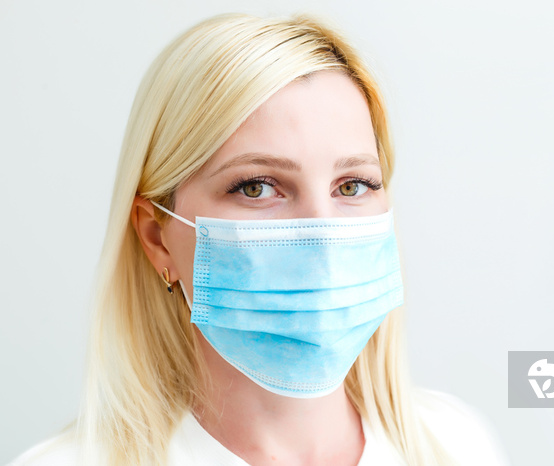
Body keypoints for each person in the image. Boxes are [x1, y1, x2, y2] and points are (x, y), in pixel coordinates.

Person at [11, 13, 509, 466]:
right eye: (257, 187)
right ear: (157, 237)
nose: (324, 237)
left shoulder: (456, 443)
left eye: (352, 186)